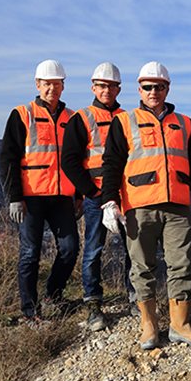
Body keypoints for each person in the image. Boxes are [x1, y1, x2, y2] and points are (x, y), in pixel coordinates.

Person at [100, 61, 191, 349]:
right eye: (148, 87)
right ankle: (148, 325)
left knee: (181, 264)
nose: (153, 92)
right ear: (139, 89)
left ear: (167, 88)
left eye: (159, 87)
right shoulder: (124, 121)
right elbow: (111, 164)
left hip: (176, 206)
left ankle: (180, 324)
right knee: (142, 267)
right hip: (139, 206)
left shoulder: (184, 123)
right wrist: (109, 201)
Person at [0, 59, 80, 324]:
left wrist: (79, 195)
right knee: (29, 254)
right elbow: (9, 158)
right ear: (37, 85)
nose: (52, 89)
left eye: (57, 84)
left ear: (63, 86)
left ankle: (53, 295)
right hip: (31, 197)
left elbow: (78, 160)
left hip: (61, 198)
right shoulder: (23, 114)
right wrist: (14, 197)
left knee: (69, 249)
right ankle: (30, 311)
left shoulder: (71, 118)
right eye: (47, 84)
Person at [61, 61, 135, 332]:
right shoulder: (82, 118)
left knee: (133, 250)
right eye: (102, 86)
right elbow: (69, 161)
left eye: (112, 86)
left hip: (126, 195)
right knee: (93, 250)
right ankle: (93, 304)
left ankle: (135, 298)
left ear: (118, 89)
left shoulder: (129, 118)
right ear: (93, 87)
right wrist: (94, 193)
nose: (107, 90)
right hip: (96, 197)